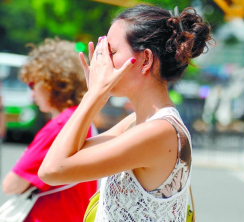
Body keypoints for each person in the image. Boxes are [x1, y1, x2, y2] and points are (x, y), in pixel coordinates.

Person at [39, 5, 213, 221]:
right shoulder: (136, 123)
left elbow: (52, 170)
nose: (103, 62)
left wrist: (93, 95)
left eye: (111, 52)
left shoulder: (159, 131)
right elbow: (71, 153)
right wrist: (97, 95)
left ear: (146, 60)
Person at [2, 38, 98, 222]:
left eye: (32, 84)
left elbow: (11, 184)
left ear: (52, 83)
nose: (31, 93)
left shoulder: (61, 126)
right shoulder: (81, 118)